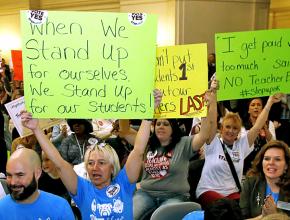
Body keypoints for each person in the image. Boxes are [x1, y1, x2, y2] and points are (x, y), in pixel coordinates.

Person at [21, 90, 163, 220]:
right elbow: (58, 162)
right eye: (90, 163)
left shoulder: (124, 183)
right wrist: (36, 129)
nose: (95, 167)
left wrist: (149, 114)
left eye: (101, 163)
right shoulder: (82, 190)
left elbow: (138, 150)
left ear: (112, 167)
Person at [119, 81, 218, 220]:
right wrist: (123, 99)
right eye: (158, 123)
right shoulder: (146, 143)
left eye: (166, 124)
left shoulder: (184, 143)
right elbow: (123, 130)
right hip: (146, 194)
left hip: (175, 197)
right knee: (127, 216)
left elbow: (205, 134)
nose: (161, 126)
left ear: (173, 128)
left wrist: (208, 105)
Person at [196, 93, 283, 208]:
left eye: (235, 128)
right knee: (227, 208)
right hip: (208, 191)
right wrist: (212, 100)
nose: (231, 131)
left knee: (246, 208)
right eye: (227, 127)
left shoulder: (242, 145)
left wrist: (270, 102)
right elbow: (211, 121)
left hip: (232, 194)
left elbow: (257, 126)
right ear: (221, 129)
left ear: (239, 132)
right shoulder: (213, 142)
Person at [0, 148, 74, 219]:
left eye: (20, 175)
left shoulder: (60, 208)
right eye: (9, 175)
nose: (13, 182)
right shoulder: (2, 208)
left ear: (37, 174)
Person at [240, 140, 290, 219]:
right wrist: (263, 217)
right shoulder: (250, 183)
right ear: (261, 162)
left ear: (286, 165)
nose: (271, 162)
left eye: (277, 159)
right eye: (267, 159)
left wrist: (276, 215)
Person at [242, 98, 276, 175]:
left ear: (263, 109)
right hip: (247, 166)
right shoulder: (242, 125)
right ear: (248, 110)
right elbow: (243, 145)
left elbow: (274, 143)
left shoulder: (269, 123)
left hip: (264, 164)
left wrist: (265, 128)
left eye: (259, 105)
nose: (256, 107)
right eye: (253, 105)